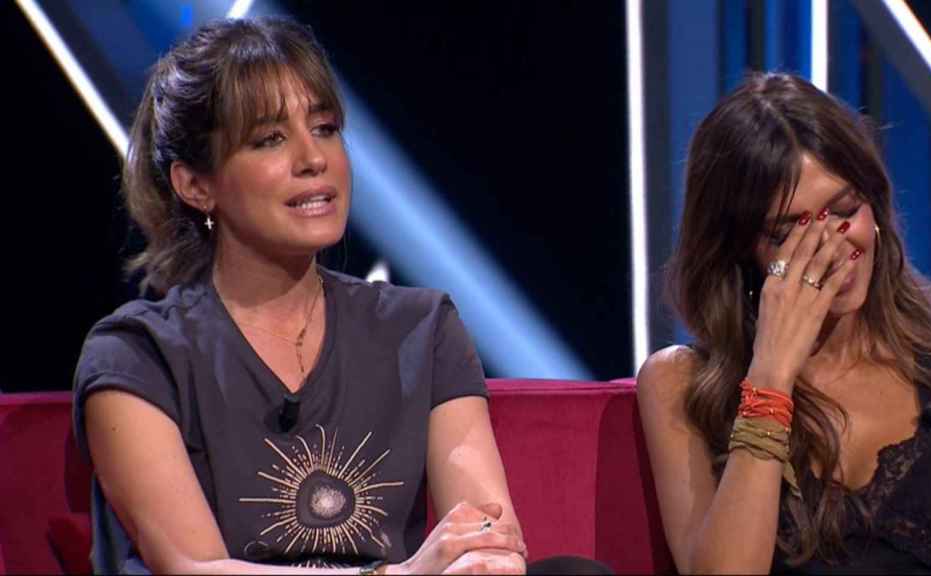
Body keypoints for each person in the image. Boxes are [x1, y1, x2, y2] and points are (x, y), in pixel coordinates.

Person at [73, 16, 592, 575]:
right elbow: (190, 567)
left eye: (324, 128)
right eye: (270, 139)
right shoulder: (137, 356)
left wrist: (488, 558)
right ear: (196, 185)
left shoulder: (420, 328)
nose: (313, 158)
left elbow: (484, 532)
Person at [637, 72, 931, 574]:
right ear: (740, 249)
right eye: (788, 232)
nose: (829, 247)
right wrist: (771, 374)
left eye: (844, 210)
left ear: (876, 209)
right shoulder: (678, 384)